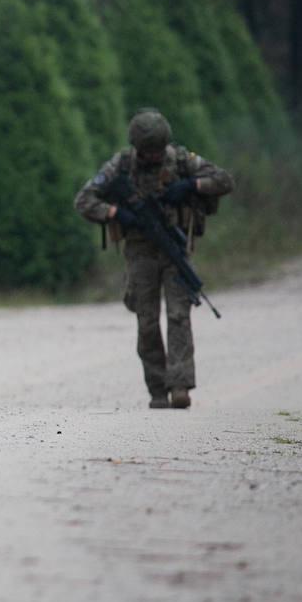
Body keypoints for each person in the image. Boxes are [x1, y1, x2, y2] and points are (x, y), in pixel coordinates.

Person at [74, 108, 234, 409]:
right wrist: (116, 213)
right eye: (147, 152)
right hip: (139, 251)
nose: (153, 157)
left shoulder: (183, 161)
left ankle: (180, 385)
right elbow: (84, 200)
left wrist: (191, 185)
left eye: (157, 151)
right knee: (146, 321)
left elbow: (224, 180)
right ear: (136, 147)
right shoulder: (120, 165)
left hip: (175, 250)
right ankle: (158, 389)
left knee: (178, 315)